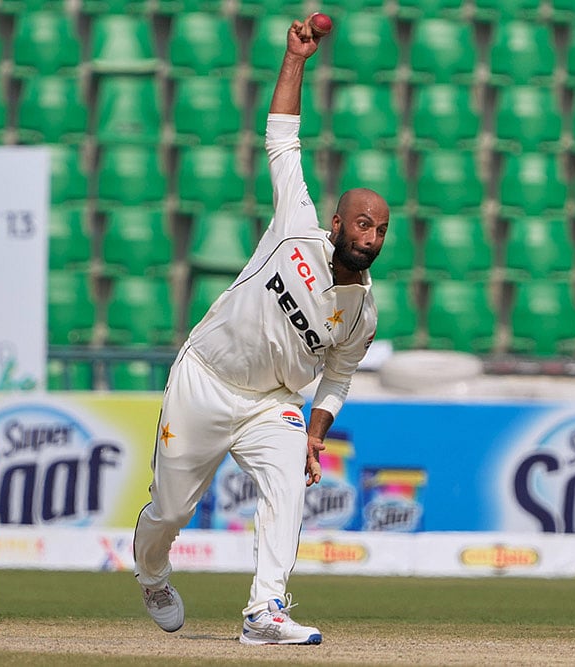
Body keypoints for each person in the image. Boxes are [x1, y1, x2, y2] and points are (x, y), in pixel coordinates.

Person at [131, 14, 389, 646]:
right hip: (206, 378)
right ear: (336, 222)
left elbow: (339, 376)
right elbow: (282, 137)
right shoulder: (296, 223)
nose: (371, 237)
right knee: (171, 512)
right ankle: (152, 573)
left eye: (381, 230)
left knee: (287, 488)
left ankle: (264, 611)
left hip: (272, 403)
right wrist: (296, 59)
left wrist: (317, 434)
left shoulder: (363, 312)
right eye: (362, 224)